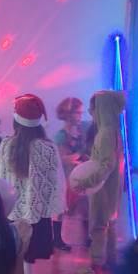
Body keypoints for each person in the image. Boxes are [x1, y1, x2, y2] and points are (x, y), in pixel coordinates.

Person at [0, 94, 66, 274]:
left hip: (9, 211)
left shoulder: (6, 145)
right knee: (25, 257)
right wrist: (52, 207)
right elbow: (56, 182)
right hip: (35, 212)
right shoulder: (47, 148)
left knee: (10, 256)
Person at [71, 91, 126, 274]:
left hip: (103, 188)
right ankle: (110, 262)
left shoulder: (105, 133)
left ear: (101, 109)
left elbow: (106, 165)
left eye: (92, 108)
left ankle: (97, 265)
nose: (90, 112)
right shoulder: (113, 130)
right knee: (109, 224)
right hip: (112, 187)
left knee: (98, 226)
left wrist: (85, 182)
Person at [53, 96, 91, 251]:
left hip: (79, 174)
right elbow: (62, 158)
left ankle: (87, 237)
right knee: (63, 207)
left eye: (81, 113)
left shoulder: (81, 131)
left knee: (85, 205)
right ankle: (57, 239)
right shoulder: (61, 135)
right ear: (69, 114)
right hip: (66, 176)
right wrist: (79, 155)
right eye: (78, 113)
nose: (80, 116)